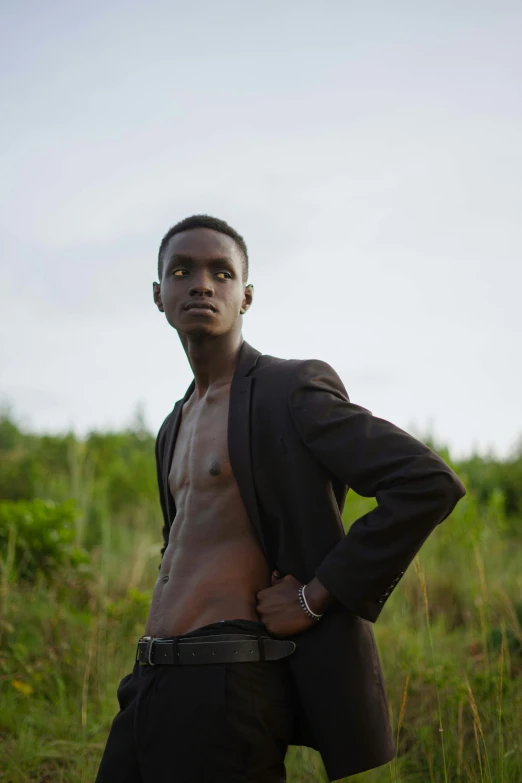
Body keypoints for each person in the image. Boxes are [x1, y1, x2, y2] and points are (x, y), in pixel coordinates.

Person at [95, 215, 466, 783]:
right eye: (181, 270)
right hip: (148, 681)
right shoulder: (174, 422)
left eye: (221, 272)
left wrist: (318, 595)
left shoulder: (288, 389)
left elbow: (426, 481)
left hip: (225, 685)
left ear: (245, 297)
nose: (201, 283)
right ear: (158, 295)